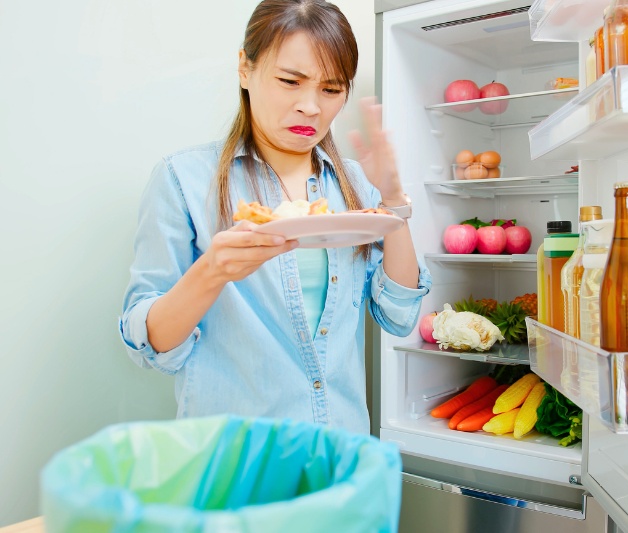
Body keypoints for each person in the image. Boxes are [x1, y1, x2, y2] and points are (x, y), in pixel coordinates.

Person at [118, 0, 431, 435]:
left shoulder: (354, 183)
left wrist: (393, 199)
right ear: (245, 69)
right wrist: (211, 271)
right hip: (235, 463)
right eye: (290, 81)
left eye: (331, 89)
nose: (311, 107)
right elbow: (151, 347)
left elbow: (398, 316)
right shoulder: (183, 179)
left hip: (338, 454)